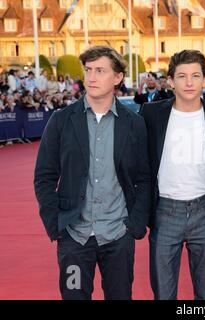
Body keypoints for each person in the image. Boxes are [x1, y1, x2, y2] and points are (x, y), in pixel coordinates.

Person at [34, 45, 151, 299]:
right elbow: (44, 176)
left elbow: (144, 177)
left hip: (118, 237)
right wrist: (56, 223)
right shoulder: (61, 120)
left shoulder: (134, 124)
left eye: (100, 70)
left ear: (118, 77)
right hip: (74, 238)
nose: (91, 77)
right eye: (88, 70)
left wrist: (135, 225)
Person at [140, 50, 205, 300]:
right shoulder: (150, 114)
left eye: (195, 76)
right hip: (164, 213)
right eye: (182, 76)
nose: (189, 82)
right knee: (163, 293)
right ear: (171, 81)